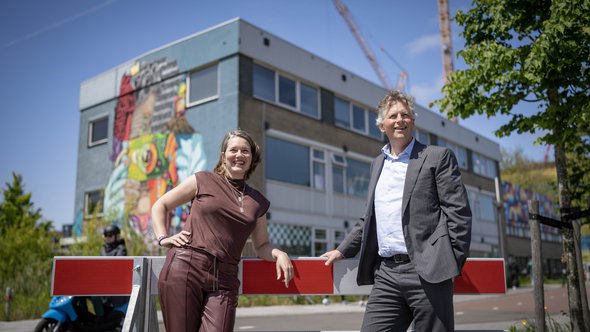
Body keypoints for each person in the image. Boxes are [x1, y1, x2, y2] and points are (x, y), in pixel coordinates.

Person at [321, 90, 472, 332]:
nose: (400, 120)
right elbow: (368, 219)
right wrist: (341, 250)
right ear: (382, 125)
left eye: (405, 114)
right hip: (387, 273)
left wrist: (448, 261)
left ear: (412, 120)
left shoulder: (437, 156)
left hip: (428, 272)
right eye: (393, 116)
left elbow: (459, 214)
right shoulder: (377, 164)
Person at [152, 129, 293, 332]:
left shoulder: (258, 202)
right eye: (233, 150)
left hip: (225, 278)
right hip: (186, 267)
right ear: (223, 156)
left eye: (245, 151)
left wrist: (279, 253)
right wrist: (163, 237)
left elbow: (261, 245)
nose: (239, 155)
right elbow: (160, 205)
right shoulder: (202, 180)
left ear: (252, 157)